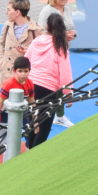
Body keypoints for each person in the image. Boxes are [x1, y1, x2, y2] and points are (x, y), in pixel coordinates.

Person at [26, 13, 73, 146]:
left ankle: (29, 148)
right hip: (48, 89)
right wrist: (68, 93)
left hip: (31, 85)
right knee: (44, 125)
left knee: (32, 120)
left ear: (47, 26)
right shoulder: (60, 47)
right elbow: (65, 73)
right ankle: (35, 153)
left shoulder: (36, 41)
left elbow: (27, 59)